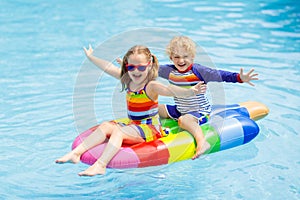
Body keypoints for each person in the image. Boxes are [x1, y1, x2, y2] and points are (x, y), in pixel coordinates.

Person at [55, 45, 206, 176]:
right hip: (134, 124)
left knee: (119, 132)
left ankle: (100, 165)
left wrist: (191, 91)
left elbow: (170, 90)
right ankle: (76, 153)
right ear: (127, 66)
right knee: (106, 126)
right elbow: (108, 68)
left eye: (141, 67)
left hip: (150, 130)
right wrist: (91, 57)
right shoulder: (128, 80)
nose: (136, 71)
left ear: (149, 64)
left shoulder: (151, 85)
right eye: (131, 67)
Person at [157, 36, 259, 159]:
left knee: (184, 121)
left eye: (185, 56)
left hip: (199, 111)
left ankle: (202, 142)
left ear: (192, 57)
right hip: (180, 109)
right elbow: (150, 69)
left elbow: (220, 75)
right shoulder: (168, 71)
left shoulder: (199, 71)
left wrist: (239, 78)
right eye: (177, 57)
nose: (181, 60)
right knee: (154, 107)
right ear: (171, 58)